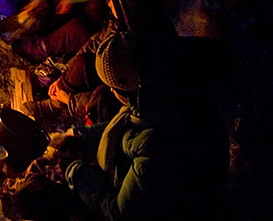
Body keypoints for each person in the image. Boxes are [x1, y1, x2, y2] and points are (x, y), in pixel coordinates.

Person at [45, 31, 230, 221]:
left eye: (113, 88)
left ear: (125, 90)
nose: (111, 91)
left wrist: (72, 170)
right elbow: (129, 126)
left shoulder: (156, 144)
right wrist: (82, 136)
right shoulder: (162, 95)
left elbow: (120, 213)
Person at [22, 0, 177, 125]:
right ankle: (56, 83)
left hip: (111, 103)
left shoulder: (139, 51)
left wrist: (69, 99)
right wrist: (65, 74)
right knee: (80, 53)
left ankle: (55, 105)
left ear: (126, 3)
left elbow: (108, 102)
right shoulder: (122, 20)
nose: (108, 3)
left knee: (87, 71)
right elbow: (95, 42)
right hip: (106, 74)